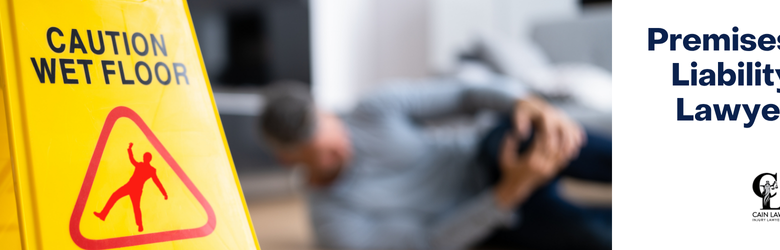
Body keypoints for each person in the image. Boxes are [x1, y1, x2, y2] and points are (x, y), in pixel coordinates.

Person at [259, 79, 610, 250]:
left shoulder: (371, 111)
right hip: (486, 219)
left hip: (488, 155)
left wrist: (532, 105)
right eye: (326, 153)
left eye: (334, 132)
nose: (342, 148)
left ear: (325, 111)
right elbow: (430, 242)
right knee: (593, 234)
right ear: (287, 159)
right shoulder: (334, 224)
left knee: (547, 135)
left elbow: (465, 96)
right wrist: (512, 190)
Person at [94, 142, 169, 232]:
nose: (144, 158)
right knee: (121, 199)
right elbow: (157, 183)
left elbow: (157, 182)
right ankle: (103, 215)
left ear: (147, 159)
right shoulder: (150, 169)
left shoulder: (144, 167)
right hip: (133, 187)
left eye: (145, 157)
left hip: (133, 187)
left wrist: (130, 149)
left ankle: (140, 225)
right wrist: (164, 193)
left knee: (134, 206)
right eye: (144, 157)